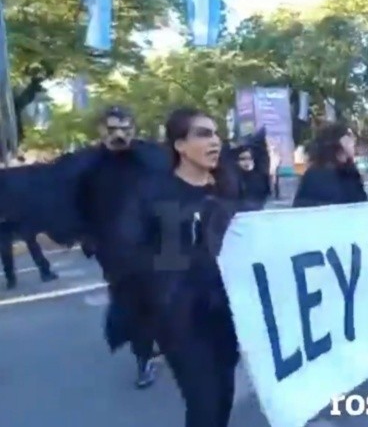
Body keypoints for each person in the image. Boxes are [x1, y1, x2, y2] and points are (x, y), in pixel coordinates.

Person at [109, 107, 245, 427]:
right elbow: (133, 256)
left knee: (224, 397)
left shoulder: (227, 189)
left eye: (216, 134)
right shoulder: (156, 193)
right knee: (205, 407)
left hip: (226, 316)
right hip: (181, 321)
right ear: (180, 146)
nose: (215, 141)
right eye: (203, 134)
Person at [74, 105, 172, 389]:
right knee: (132, 305)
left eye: (125, 128)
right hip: (115, 252)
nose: (119, 134)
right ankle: (143, 357)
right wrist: (86, 236)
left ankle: (158, 340)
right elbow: (77, 205)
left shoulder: (152, 158)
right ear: (101, 130)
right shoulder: (87, 166)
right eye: (112, 128)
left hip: (156, 245)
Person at [293, 124, 368, 208]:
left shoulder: (349, 173)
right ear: (338, 141)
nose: (354, 141)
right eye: (349, 136)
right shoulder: (318, 174)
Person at [0, 220, 57, 290]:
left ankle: (10, 278)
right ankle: (45, 272)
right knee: (31, 241)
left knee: (5, 246)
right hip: (17, 216)